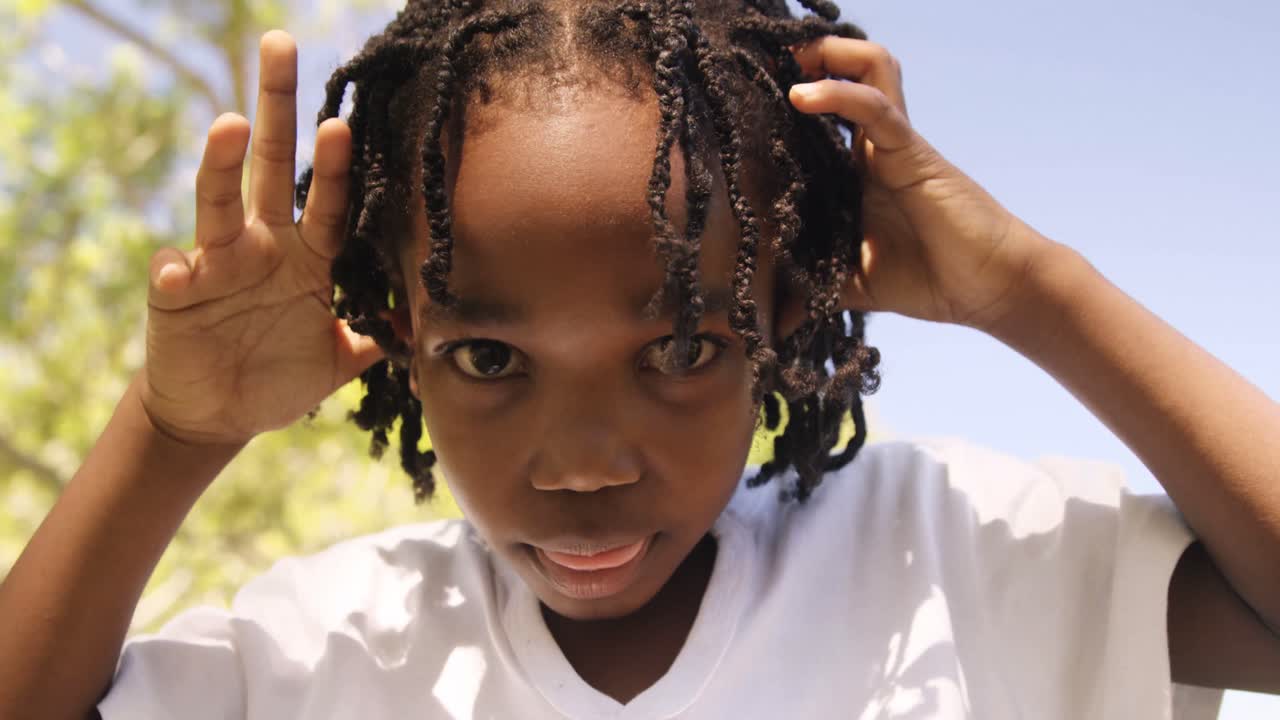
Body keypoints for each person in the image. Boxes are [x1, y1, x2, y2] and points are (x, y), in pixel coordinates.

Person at [1, 1, 1277, 718]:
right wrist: (173, 440)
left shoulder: (952, 557)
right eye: (491, 357)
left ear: (781, 310)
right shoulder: (330, 652)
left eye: (676, 343)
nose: (582, 465)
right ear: (397, 337)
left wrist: (1031, 292)